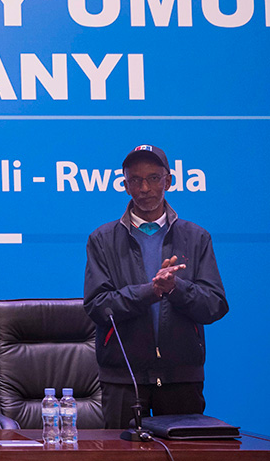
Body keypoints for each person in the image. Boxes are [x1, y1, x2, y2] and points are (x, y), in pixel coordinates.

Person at [83, 145, 228, 429]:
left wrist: (176, 288)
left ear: (169, 181)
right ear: (125, 186)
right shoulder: (102, 239)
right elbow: (97, 306)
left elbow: (214, 306)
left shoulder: (196, 237)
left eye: (153, 178)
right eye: (135, 180)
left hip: (181, 377)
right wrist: (151, 291)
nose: (145, 187)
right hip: (123, 379)